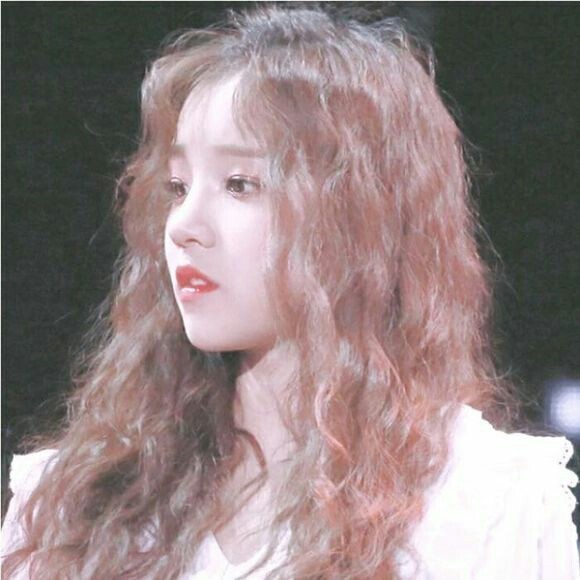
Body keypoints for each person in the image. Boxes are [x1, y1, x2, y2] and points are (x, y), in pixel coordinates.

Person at [1, 4, 578, 579]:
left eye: (240, 184)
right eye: (178, 186)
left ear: (359, 217)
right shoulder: (71, 508)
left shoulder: (486, 505)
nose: (183, 225)